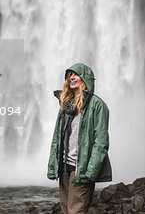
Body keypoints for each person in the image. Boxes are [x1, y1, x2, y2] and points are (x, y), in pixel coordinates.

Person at [47, 63, 112, 214]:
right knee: (66, 210)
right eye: (70, 74)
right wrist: (53, 166)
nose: (72, 77)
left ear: (85, 79)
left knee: (75, 211)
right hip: (64, 167)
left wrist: (90, 172)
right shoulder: (65, 104)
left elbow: (101, 141)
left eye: (76, 74)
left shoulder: (97, 105)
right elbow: (57, 137)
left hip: (81, 169)